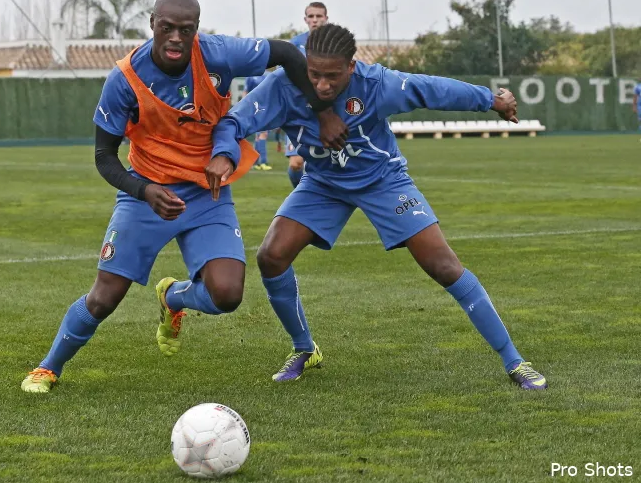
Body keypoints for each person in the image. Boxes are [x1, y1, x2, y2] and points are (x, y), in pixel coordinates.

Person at [20, 0, 345, 394]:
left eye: (186, 29)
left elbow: (288, 54)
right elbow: (105, 157)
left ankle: (173, 298)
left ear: (197, 29)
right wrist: (143, 191)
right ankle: (48, 367)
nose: (176, 37)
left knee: (227, 294)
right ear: (152, 23)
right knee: (104, 298)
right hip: (147, 195)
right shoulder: (124, 79)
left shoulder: (218, 53)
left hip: (206, 194)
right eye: (167, 27)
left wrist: (324, 112)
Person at [216, 24, 548, 390]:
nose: (322, 85)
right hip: (323, 183)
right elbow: (235, 120)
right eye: (314, 74)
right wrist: (223, 153)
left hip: (383, 181)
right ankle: (304, 349)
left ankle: (515, 361)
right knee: (272, 255)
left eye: (333, 76)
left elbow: (431, 89)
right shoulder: (282, 86)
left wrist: (490, 100)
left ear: (351, 68)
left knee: (443, 265)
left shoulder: (377, 84)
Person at [283, 2, 328, 186]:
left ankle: (314, 200)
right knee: (296, 163)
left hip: (327, 112)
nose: (315, 20)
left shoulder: (335, 44)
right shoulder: (295, 45)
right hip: (298, 111)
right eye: (311, 16)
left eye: (319, 16)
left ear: (326, 18)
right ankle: (300, 196)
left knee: (327, 164)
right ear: (305, 19)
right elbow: (283, 77)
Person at [245, 75, 271, 170]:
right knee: (263, 134)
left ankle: (255, 162)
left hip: (263, 108)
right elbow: (246, 92)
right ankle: (263, 162)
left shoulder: (267, 75)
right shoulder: (251, 77)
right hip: (259, 108)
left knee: (258, 136)